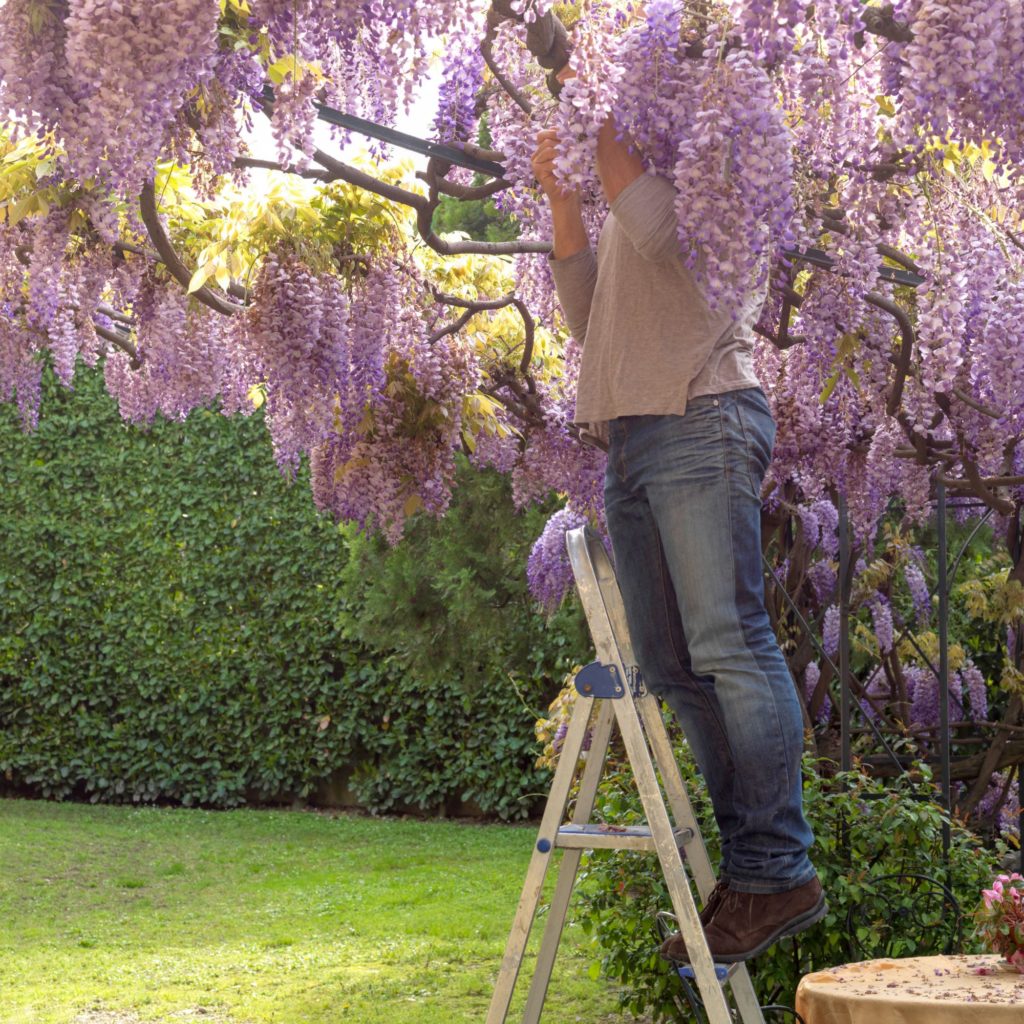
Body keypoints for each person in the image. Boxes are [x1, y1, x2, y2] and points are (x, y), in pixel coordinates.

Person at [530, 78, 826, 964]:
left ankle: (777, 868)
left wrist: (586, 85)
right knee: (671, 661)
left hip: (703, 417)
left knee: (728, 642)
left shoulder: (716, 178)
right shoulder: (637, 191)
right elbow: (587, 319)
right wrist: (561, 200)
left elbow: (653, 223)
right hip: (633, 431)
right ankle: (756, 871)